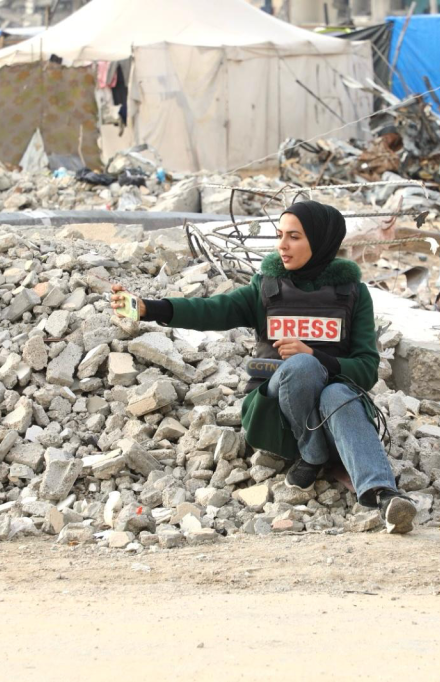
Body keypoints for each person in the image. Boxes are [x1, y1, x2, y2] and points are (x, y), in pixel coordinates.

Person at [111, 200, 418, 534]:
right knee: (301, 367)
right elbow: (212, 310)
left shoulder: (353, 294)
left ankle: (384, 495)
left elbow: (367, 369)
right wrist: (148, 308)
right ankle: (312, 452)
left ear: (321, 240)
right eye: (279, 235)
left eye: (294, 237)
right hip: (275, 419)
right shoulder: (267, 288)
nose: (282, 246)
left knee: (335, 393)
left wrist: (319, 357)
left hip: (337, 411)